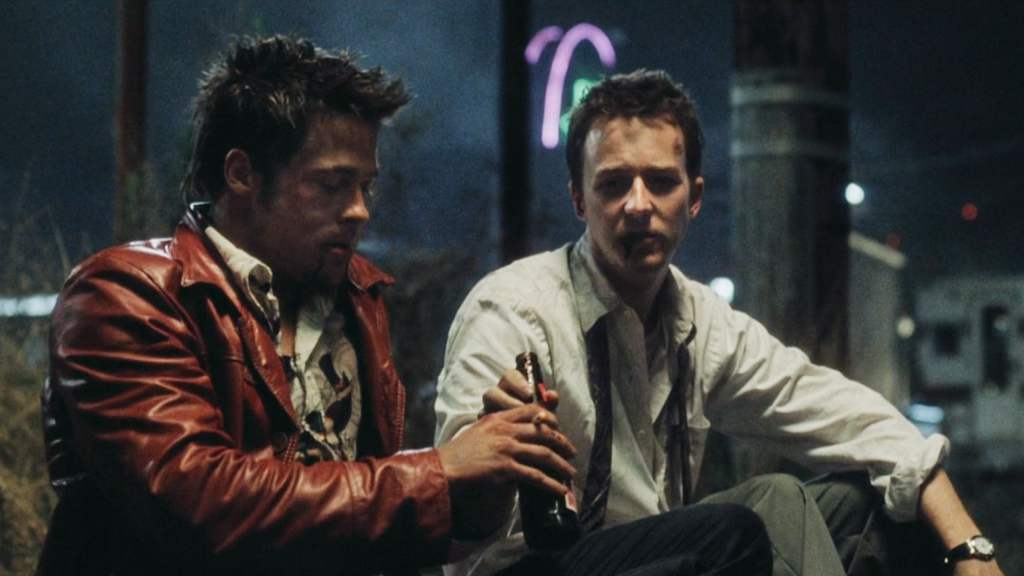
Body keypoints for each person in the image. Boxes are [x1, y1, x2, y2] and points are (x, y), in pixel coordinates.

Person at [38, 35, 581, 576]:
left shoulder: (353, 297)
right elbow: (204, 506)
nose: (360, 210)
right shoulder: (127, 294)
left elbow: (376, 521)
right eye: (332, 185)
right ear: (242, 174)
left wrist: (488, 474)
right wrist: (438, 471)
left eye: (365, 187)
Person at [434, 69, 1004, 576]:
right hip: (534, 566)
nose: (638, 204)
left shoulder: (698, 319)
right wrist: (493, 462)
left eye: (661, 182)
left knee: (875, 507)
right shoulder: (513, 310)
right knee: (763, 509)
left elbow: (850, 417)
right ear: (579, 200)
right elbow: (452, 529)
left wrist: (970, 545)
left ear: (694, 198)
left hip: (667, 557)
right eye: (613, 184)